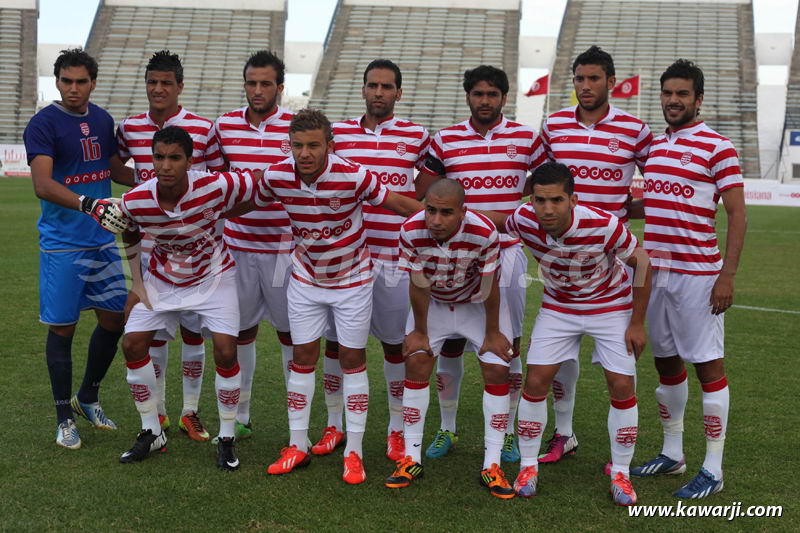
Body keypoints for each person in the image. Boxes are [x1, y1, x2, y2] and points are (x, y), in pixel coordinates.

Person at [259, 109, 422, 485]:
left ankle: (354, 452)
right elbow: (246, 200)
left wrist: (448, 219)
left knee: (351, 359)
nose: (305, 153)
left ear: (330, 146)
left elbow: (397, 203)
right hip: (305, 279)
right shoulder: (276, 175)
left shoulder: (353, 174)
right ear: (289, 146)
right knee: (302, 357)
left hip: (352, 281)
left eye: (313, 145)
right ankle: (296, 445)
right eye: (297, 145)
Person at [484, 162, 652, 505]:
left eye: (556, 200)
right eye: (540, 200)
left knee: (622, 385)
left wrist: (636, 323)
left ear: (573, 200)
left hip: (610, 307)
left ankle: (621, 472)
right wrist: (459, 213)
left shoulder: (603, 225)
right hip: (559, 308)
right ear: (531, 200)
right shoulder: (524, 219)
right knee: (535, 381)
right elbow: (498, 221)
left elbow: (644, 263)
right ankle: (528, 468)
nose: (547, 209)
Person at [413, 65, 546, 462]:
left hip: (506, 252)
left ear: (504, 97)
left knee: (509, 343)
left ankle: (507, 432)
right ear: (468, 96)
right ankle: (447, 427)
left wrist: (510, 203)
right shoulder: (445, 139)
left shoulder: (526, 138)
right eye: (478, 94)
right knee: (450, 341)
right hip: (454, 253)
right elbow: (424, 190)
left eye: (492, 94)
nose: (484, 101)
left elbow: (544, 184)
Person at [630, 60, 746, 499]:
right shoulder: (655, 148)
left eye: (682, 94)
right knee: (666, 363)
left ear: (698, 99)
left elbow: (737, 213)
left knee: (708, 366)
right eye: (668, 93)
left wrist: (726, 275)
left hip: (699, 275)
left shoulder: (718, 146)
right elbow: (655, 203)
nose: (673, 100)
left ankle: (713, 469)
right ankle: (673, 453)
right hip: (655, 274)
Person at [113, 126, 258, 470]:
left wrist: (225, 211)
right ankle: (152, 431)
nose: (166, 166)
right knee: (132, 344)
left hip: (214, 277)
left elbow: (259, 185)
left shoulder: (215, 185)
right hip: (162, 281)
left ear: (190, 162)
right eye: (159, 157)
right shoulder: (136, 199)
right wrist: (137, 283)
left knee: (226, 350)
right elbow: (129, 229)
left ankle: (226, 437)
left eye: (175, 158)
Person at [536, 45, 653, 465]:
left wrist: (627, 211)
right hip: (564, 258)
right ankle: (563, 433)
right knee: (561, 355)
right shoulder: (553, 125)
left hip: (613, 258)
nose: (586, 86)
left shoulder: (635, 130)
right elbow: (540, 182)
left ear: (611, 82)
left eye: (594, 79)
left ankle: (621, 458)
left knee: (617, 368)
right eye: (580, 79)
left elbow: (657, 183)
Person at [317, 59, 431, 461]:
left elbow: (424, 194)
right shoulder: (339, 133)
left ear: (399, 92)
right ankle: (334, 424)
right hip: (347, 260)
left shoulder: (417, 136)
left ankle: (396, 429)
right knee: (336, 344)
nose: (378, 92)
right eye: (372, 85)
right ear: (363, 89)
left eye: (386, 87)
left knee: (395, 345)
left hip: (395, 260)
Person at [24, 48, 133, 449]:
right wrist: (89, 204)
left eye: (81, 81)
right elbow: (42, 184)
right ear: (56, 82)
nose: (73, 88)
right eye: (66, 81)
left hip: (101, 241)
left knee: (114, 320)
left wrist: (162, 179)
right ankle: (63, 417)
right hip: (63, 245)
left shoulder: (103, 120)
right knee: (63, 327)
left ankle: (87, 397)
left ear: (93, 83)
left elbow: (115, 170)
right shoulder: (43, 124)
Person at [116, 50, 225, 441]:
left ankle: (189, 411)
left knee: (194, 332)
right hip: (150, 247)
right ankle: (158, 413)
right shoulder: (130, 127)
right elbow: (115, 163)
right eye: (152, 82)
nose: (158, 89)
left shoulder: (203, 128)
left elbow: (219, 178)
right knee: (154, 332)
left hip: (195, 249)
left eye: (166, 83)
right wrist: (143, 189)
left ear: (180, 86)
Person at [384, 179, 516, 499]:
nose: (435, 219)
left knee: (497, 367)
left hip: (477, 304)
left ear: (462, 212)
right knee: (416, 361)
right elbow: (418, 283)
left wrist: (493, 332)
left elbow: (489, 284)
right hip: (437, 304)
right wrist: (419, 331)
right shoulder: (410, 230)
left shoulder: (484, 231)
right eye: (430, 210)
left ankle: (492, 463)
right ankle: (411, 458)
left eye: (446, 212)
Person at [213, 50, 295, 441]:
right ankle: (241, 416)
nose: (258, 90)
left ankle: (298, 423)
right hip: (237, 248)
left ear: (280, 87)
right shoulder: (225, 125)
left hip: (285, 251)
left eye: (266, 83)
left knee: (292, 336)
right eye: (251, 83)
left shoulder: (295, 127)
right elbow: (214, 183)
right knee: (239, 333)